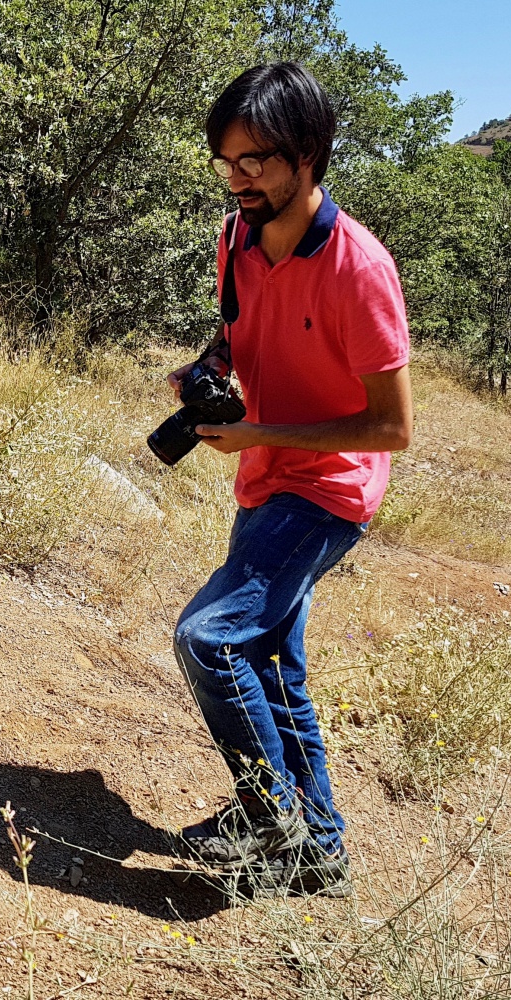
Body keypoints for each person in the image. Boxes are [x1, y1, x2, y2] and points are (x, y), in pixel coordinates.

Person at [168, 62, 412, 898]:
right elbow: (239, 335)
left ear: (308, 154)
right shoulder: (237, 237)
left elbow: (394, 427)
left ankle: (270, 817)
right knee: (272, 664)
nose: (237, 179)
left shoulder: (359, 267)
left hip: (329, 490)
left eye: (256, 161)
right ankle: (322, 849)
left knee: (210, 637)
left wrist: (257, 434)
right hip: (267, 476)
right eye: (225, 161)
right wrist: (206, 370)